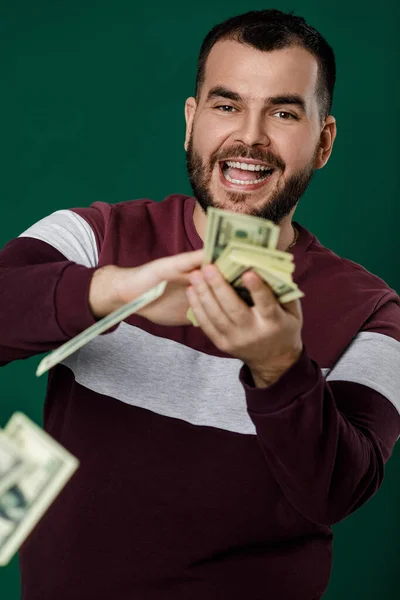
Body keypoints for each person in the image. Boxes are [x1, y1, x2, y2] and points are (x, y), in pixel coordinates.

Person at [0, 8, 399, 600]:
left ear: (324, 141)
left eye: (284, 112)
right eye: (226, 105)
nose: (251, 137)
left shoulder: (375, 312)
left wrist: (278, 369)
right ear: (191, 121)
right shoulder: (93, 236)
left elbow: (340, 490)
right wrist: (117, 289)